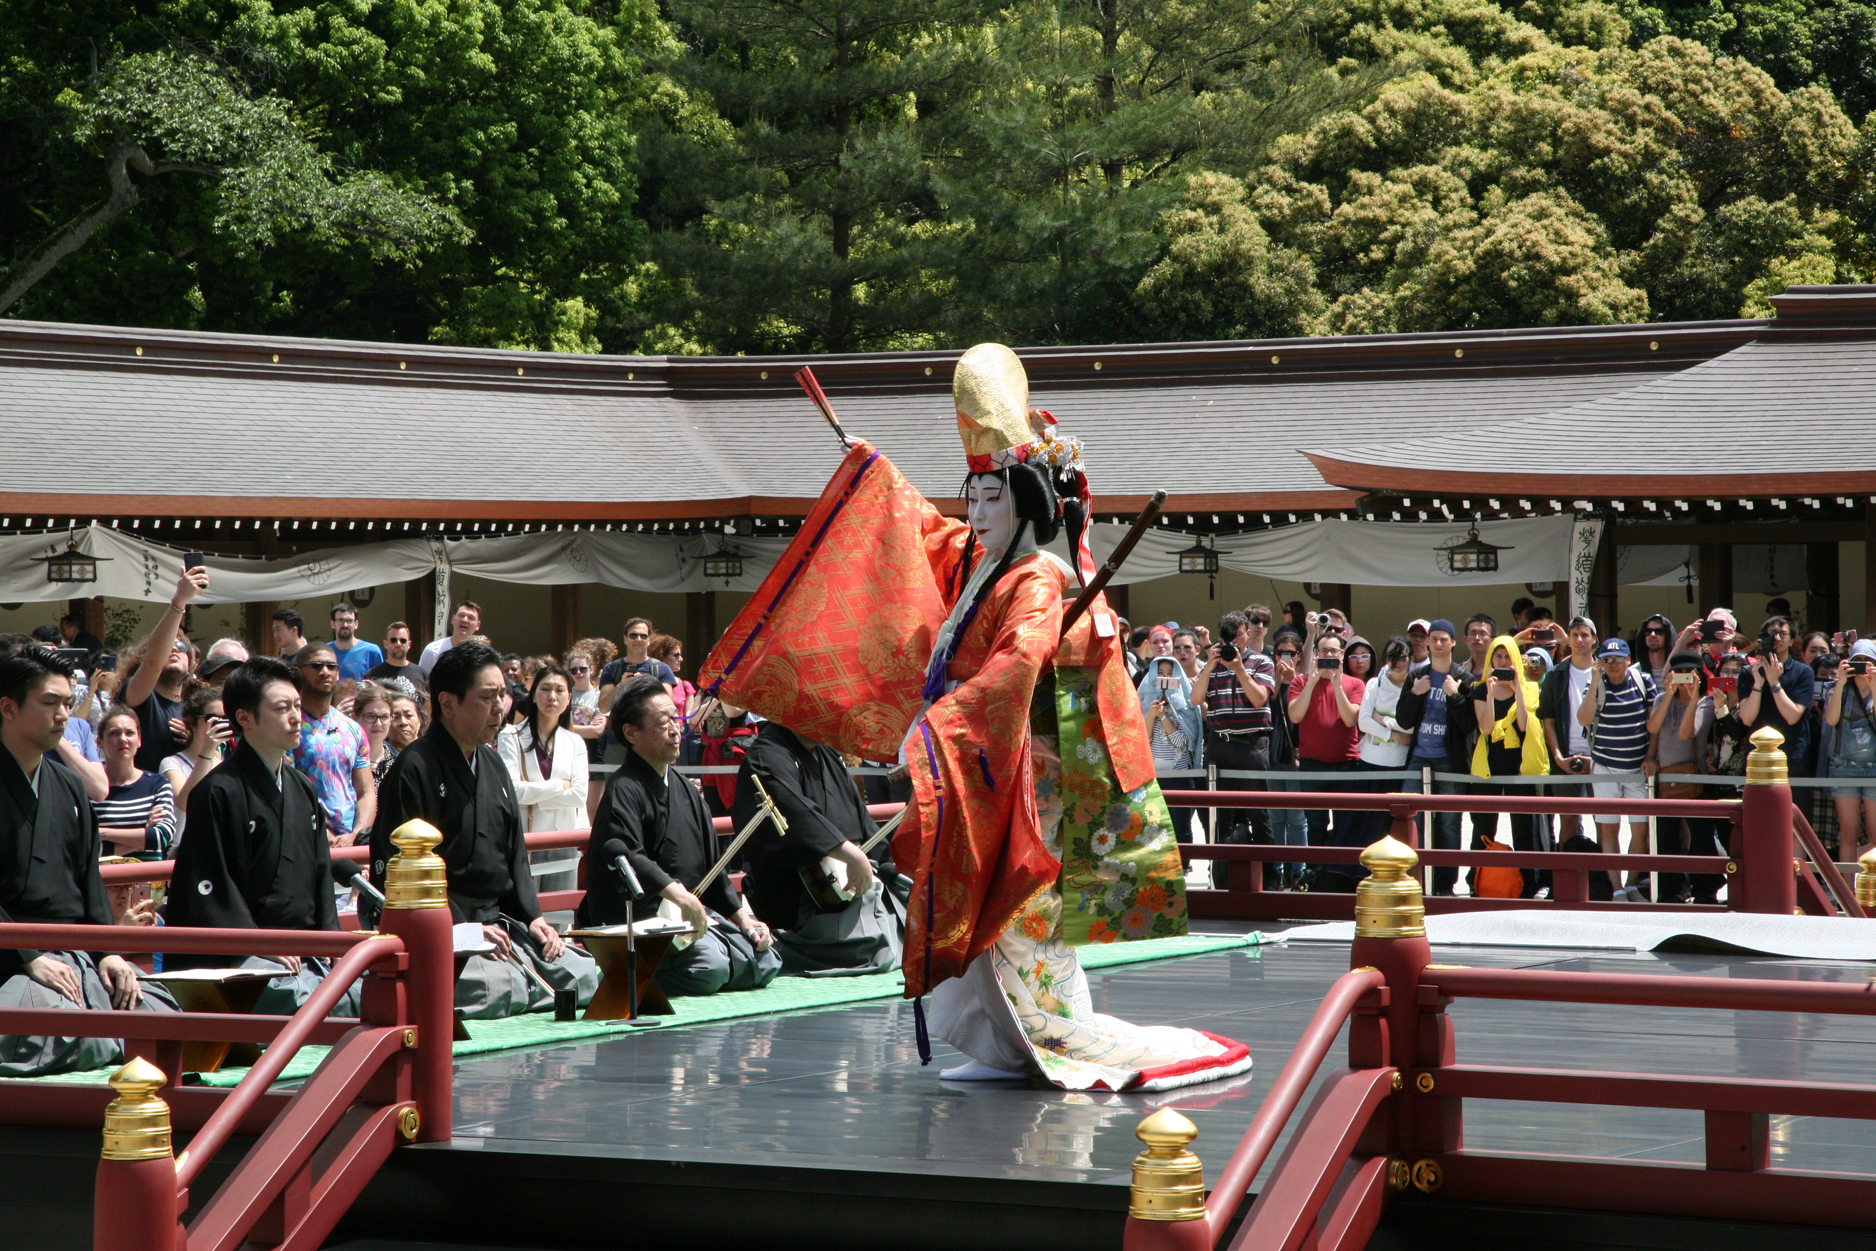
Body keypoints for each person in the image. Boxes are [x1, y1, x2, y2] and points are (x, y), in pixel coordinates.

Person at [373, 641, 597, 1019]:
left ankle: (519, 980)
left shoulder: (492, 763)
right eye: (487, 696)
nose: (500, 707)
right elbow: (396, 871)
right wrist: (464, 931)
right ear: (448, 703)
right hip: (446, 928)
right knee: (494, 988)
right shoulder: (415, 768)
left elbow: (514, 854)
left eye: (504, 696)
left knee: (583, 973)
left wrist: (533, 918)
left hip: (498, 921)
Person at [0, 646, 175, 1076]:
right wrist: (25, 954)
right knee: (48, 1031)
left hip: (75, 953)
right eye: (49, 703)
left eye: (66, 702)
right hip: (12, 957)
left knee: (164, 1016)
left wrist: (108, 952)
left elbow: (88, 878)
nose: (64, 715)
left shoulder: (69, 785)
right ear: (8, 707)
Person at [163, 658, 356, 1013]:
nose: (296, 717)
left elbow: (319, 873)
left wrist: (330, 945)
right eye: (282, 708)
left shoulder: (302, 788)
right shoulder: (217, 791)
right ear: (244, 718)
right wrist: (259, 943)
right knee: (313, 1001)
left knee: (366, 990)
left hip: (303, 952)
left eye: (297, 706)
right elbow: (211, 887)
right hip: (245, 954)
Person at [582, 675, 780, 995]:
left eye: (675, 717)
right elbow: (629, 856)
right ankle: (621, 978)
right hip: (650, 920)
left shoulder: (686, 789)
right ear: (631, 733)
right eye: (663, 722)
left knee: (767, 956)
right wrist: (679, 896)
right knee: (710, 969)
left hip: (691, 917)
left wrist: (744, 918)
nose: (676, 729)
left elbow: (714, 868)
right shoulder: (623, 789)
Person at [732, 718, 906, 976]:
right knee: (877, 949)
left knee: (915, 911)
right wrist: (849, 854)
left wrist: (890, 865)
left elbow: (862, 819)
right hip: (804, 898)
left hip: (851, 884)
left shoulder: (827, 754)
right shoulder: (766, 755)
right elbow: (794, 814)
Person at [1193, 610, 1276, 882]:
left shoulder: (1261, 662)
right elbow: (1195, 699)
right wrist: (1208, 665)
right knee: (1218, 813)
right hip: (1219, 744)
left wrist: (1239, 668)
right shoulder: (1213, 664)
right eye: (1228, 637)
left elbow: (1259, 699)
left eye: (1238, 635)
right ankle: (1220, 875)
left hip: (1252, 744)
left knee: (1258, 811)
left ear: (1247, 634)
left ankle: (1269, 877)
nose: (1234, 643)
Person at [1394, 619, 1474, 895]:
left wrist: (1454, 696)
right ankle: (1414, 882)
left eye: (1444, 639)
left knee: (1449, 824)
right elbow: (1403, 721)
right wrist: (1416, 695)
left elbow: (1469, 725)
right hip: (1418, 758)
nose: (1438, 644)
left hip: (1450, 760)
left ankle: (1444, 885)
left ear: (1453, 642)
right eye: (1434, 639)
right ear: (1427, 643)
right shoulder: (1416, 676)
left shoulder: (1464, 678)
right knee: (1411, 822)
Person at [1468, 635, 1550, 898]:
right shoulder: (1480, 689)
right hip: (1490, 766)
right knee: (1483, 827)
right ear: (1491, 660)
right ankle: (1477, 882)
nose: (1503, 662)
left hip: (1520, 766)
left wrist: (1517, 691)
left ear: (1516, 660)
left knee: (1525, 828)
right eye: (1498, 657)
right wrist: (1491, 695)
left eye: (1507, 657)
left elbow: (1525, 726)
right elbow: (1486, 728)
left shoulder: (1529, 688)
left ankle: (1529, 884)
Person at [497, 663, 588, 896]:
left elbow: (579, 795)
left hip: (564, 839)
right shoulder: (511, 735)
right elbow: (513, 792)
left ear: (569, 698)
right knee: (526, 912)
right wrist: (559, 786)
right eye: (545, 689)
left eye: (559, 690)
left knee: (561, 914)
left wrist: (535, 799)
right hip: (527, 839)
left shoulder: (575, 742)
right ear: (534, 695)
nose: (552, 696)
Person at [1576, 638, 1656, 901]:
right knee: (1608, 829)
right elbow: (1583, 718)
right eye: (1607, 659)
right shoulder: (1596, 683)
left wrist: (1651, 755)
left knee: (1640, 830)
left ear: (1628, 660)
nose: (1613, 664)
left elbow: (1653, 724)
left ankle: (1632, 885)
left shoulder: (1643, 681)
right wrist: (1594, 680)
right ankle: (1616, 887)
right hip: (1605, 765)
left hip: (1637, 768)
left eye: (1618, 659)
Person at [1285, 633, 1363, 879]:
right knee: (1315, 824)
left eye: (1334, 651)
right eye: (1324, 651)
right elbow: (1295, 716)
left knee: (1344, 825)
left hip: (1346, 764)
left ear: (1342, 655)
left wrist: (1337, 683)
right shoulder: (1300, 682)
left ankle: (1339, 875)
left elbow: (1350, 718)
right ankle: (1315, 874)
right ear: (1316, 654)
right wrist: (1311, 681)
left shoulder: (1355, 684)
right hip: (1311, 765)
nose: (1328, 656)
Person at [122, 563, 208, 775]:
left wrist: (194, 743)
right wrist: (179, 602)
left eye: (181, 646)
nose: (174, 649)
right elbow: (152, 664)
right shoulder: (140, 697)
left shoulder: (195, 709)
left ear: (192, 665)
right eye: (168, 646)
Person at [290, 645, 375, 848]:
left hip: (351, 845)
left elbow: (366, 791)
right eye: (316, 666)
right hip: (306, 841)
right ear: (299, 671)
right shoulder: (288, 725)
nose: (325, 672)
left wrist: (357, 833)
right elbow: (286, 789)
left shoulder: (352, 729)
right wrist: (320, 831)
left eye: (331, 666)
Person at [1647, 651, 1708, 902]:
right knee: (1666, 837)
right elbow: (1652, 729)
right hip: (1667, 777)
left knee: (1700, 837)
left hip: (1696, 780)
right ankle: (1671, 891)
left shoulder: (1706, 702)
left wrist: (1692, 698)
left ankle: (1705, 890)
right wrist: (1670, 693)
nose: (1684, 680)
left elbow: (1687, 734)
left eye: (1689, 674)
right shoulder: (1663, 698)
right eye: (1679, 674)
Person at [1537, 616, 1601, 852]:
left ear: (1594, 639)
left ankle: (1606, 882)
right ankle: (1565, 882)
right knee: (1568, 820)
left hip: (1600, 757)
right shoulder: (1556, 675)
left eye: (1585, 635)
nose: (1579, 640)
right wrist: (1558, 758)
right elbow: (1548, 721)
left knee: (1604, 821)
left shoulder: (1604, 672)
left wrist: (1598, 758)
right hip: (1566, 756)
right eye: (1574, 635)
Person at [1350, 635, 1414, 852]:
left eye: (1402, 656)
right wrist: (1394, 735)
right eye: (1391, 656)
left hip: (1400, 767)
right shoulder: (1374, 683)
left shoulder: (1416, 687)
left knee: (1392, 830)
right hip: (1370, 765)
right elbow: (1364, 721)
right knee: (1362, 828)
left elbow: (1411, 728)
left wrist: (1382, 720)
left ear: (1411, 658)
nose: (1397, 661)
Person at [92, 705, 178, 860]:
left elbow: (162, 837)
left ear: (139, 741)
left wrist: (102, 833)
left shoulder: (158, 784)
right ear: (99, 742)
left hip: (147, 881)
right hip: (103, 881)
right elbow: (87, 848)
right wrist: (144, 834)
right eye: (114, 733)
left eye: (130, 733)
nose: (123, 739)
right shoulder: (89, 788)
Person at [1738, 615, 1814, 776]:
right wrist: (1758, 684)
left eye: (1783, 634)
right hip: (1757, 753)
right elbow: (1747, 718)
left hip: (1792, 753)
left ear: (1792, 640)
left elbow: (1793, 716)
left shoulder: (1803, 672)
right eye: (1771, 633)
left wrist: (1774, 682)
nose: (1777, 638)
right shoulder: (1748, 672)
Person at [1822, 639, 1876, 865]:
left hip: (1874, 770)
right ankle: (1846, 892)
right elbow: (1831, 719)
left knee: (1875, 837)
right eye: (1857, 661)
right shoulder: (1839, 688)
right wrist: (1841, 683)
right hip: (1844, 768)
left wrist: (1874, 686)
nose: (1862, 666)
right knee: (1848, 835)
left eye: (1868, 661)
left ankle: (1871, 892)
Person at [161, 685, 232, 841]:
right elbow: (185, 803)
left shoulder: (228, 763)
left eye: (225, 718)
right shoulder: (173, 763)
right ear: (193, 723)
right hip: (186, 848)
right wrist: (206, 752)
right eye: (212, 718)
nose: (220, 724)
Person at [597, 619, 677, 712]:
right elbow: (603, 708)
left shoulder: (662, 668)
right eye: (633, 635)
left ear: (649, 640)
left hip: (650, 725)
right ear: (625, 639)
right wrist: (621, 686)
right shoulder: (611, 668)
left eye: (643, 636)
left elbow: (668, 706)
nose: (638, 639)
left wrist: (645, 685)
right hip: (622, 725)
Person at [417, 600, 483, 679]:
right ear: (453, 619)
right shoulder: (432, 650)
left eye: (471, 618)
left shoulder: (481, 655)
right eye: (461, 615)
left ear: (478, 625)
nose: (465, 620)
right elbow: (421, 684)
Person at [351, 682, 398, 790]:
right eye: (370, 716)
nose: (378, 723)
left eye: (384, 717)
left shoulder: (398, 762)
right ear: (354, 718)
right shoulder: (345, 759)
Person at [327, 602, 383, 682]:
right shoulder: (325, 651)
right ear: (333, 624)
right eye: (341, 620)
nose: (345, 625)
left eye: (349, 621)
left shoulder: (372, 651)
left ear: (356, 624)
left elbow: (381, 687)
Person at [364, 621, 424, 687]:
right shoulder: (372, 675)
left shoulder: (421, 674)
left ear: (409, 644)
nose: (398, 644)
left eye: (403, 640)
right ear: (385, 644)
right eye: (393, 640)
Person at [1630, 614, 1675, 688]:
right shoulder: (1633, 673)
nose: (1652, 634)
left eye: (1659, 631)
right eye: (1648, 631)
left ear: (1667, 636)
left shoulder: (1678, 671)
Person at [1462, 615, 1495, 679]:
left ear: (1493, 641)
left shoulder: (1501, 669)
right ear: (1466, 640)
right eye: (1473, 634)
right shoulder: (1459, 671)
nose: (1476, 638)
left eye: (1483, 634)